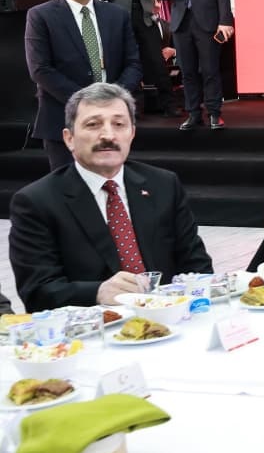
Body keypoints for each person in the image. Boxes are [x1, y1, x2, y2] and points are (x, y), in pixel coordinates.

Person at [7, 83, 212, 311]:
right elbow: (37, 292)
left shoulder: (163, 185)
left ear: (132, 133)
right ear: (69, 138)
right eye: (93, 125)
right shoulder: (36, 202)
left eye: (119, 124)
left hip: (169, 319)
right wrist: (97, 292)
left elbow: (197, 266)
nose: (108, 135)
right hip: (92, 327)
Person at [25, 0, 141, 170]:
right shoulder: (40, 16)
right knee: (70, 189)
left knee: (110, 186)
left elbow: (134, 64)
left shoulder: (117, 15)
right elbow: (40, 69)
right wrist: (88, 102)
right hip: (64, 120)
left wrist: (112, 99)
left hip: (113, 121)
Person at [145, 0, 234, 130]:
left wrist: (225, 21)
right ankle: (194, 113)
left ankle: (214, 113)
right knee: (188, 72)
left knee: (210, 69)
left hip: (208, 23)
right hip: (181, 24)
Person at [98, 0, 178, 117]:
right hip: (120, 20)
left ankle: (169, 106)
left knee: (157, 62)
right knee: (123, 63)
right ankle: (127, 109)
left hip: (146, 19)